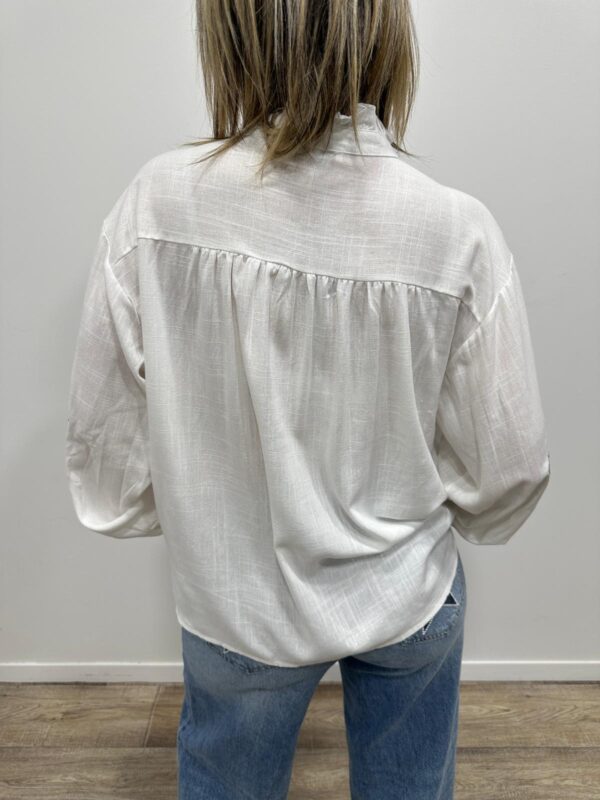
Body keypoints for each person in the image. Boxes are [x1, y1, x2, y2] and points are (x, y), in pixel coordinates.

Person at [65, 1, 551, 797]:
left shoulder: (156, 207)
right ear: (385, 31)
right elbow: (512, 470)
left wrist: (203, 518)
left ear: (228, 32)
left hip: (237, 603)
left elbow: (106, 446)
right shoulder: (455, 232)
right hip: (406, 589)